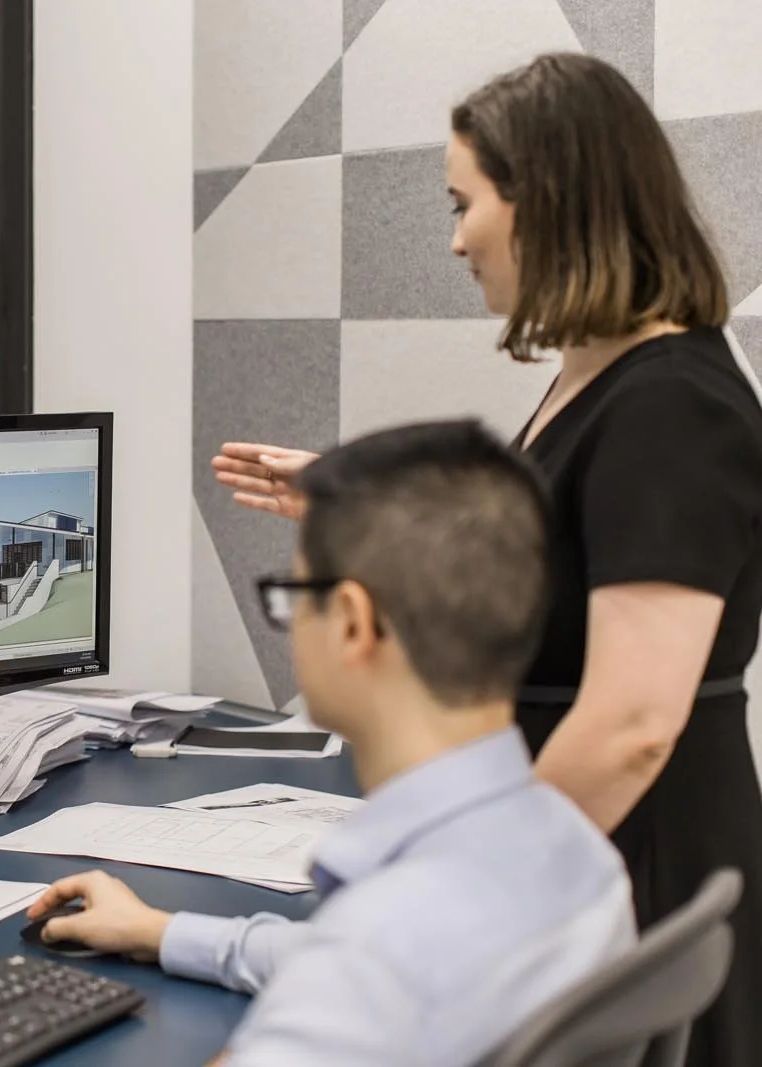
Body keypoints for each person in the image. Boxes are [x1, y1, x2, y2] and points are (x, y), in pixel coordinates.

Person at [212, 52, 762, 1067]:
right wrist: (357, 504)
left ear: (547, 199)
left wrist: (461, 899)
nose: (456, 238)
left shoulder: (670, 407)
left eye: (465, 204)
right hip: (595, 844)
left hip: (630, 843)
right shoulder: (605, 375)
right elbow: (552, 542)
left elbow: (633, 724)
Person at [0, 421, 635, 1067]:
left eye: (292, 592)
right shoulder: (572, 849)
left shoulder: (381, 951)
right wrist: (164, 932)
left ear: (352, 623)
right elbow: (374, 965)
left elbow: (373, 968)